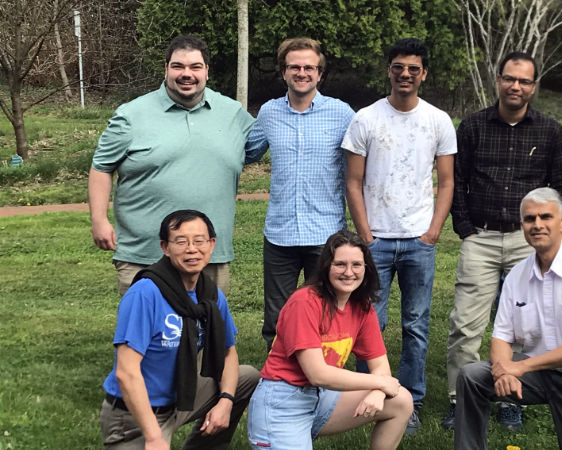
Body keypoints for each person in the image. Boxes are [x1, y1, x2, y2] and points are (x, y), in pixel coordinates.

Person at [443, 51, 562, 431]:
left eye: (524, 81)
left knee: (524, 324)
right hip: (480, 237)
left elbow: (561, 187)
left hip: (526, 241)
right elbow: (458, 181)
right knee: (466, 324)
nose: (516, 86)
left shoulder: (549, 131)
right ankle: (459, 397)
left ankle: (512, 396)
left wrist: (542, 234)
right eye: (509, 79)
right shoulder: (472, 126)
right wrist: (465, 226)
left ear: (533, 86)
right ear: (498, 80)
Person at [454, 188, 562, 450]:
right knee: (472, 376)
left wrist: (520, 367)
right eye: (529, 219)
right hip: (540, 375)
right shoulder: (517, 276)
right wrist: (503, 370)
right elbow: (501, 336)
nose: (537, 225)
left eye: (545, 217)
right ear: (522, 225)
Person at [342, 37, 456, 435]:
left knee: (416, 325)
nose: (405, 74)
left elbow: (446, 181)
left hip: (418, 242)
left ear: (424, 73)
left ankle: (412, 401)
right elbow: (353, 183)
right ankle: (367, 399)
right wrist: (366, 236)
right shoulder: (366, 119)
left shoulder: (438, 120)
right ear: (388, 70)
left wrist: (433, 232)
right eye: (398, 67)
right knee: (369, 321)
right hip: (376, 241)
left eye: (413, 68)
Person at [89, 34, 255, 296]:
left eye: (195, 67)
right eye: (178, 66)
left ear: (207, 72)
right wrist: (98, 220)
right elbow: (101, 167)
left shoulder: (233, 114)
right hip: (144, 254)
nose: (186, 74)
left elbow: (267, 144)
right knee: (145, 333)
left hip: (209, 254)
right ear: (166, 69)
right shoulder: (131, 115)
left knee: (208, 330)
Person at [99, 210, 259, 449]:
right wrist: (153, 437)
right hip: (136, 415)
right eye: (181, 242)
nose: (192, 249)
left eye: (199, 241)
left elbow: (228, 353)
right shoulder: (145, 293)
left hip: (182, 397)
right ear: (165, 247)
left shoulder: (210, 295)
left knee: (247, 378)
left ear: (212, 244)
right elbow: (126, 372)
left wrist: (225, 402)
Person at [247, 230, 414, 449]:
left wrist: (378, 392)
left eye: (356, 264)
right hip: (282, 402)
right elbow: (318, 374)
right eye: (340, 264)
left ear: (366, 268)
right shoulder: (305, 302)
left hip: (322, 397)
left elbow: (380, 365)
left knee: (400, 400)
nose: (348, 272)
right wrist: (380, 383)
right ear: (326, 267)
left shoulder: (361, 307)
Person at [245, 37, 355, 350]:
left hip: (326, 234)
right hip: (280, 234)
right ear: (283, 72)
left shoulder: (342, 114)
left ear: (320, 74)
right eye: (295, 66)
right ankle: (278, 385)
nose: (302, 72)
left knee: (325, 315)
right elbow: (246, 152)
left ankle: (324, 387)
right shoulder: (268, 113)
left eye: (309, 67)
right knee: (278, 319)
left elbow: (362, 164)